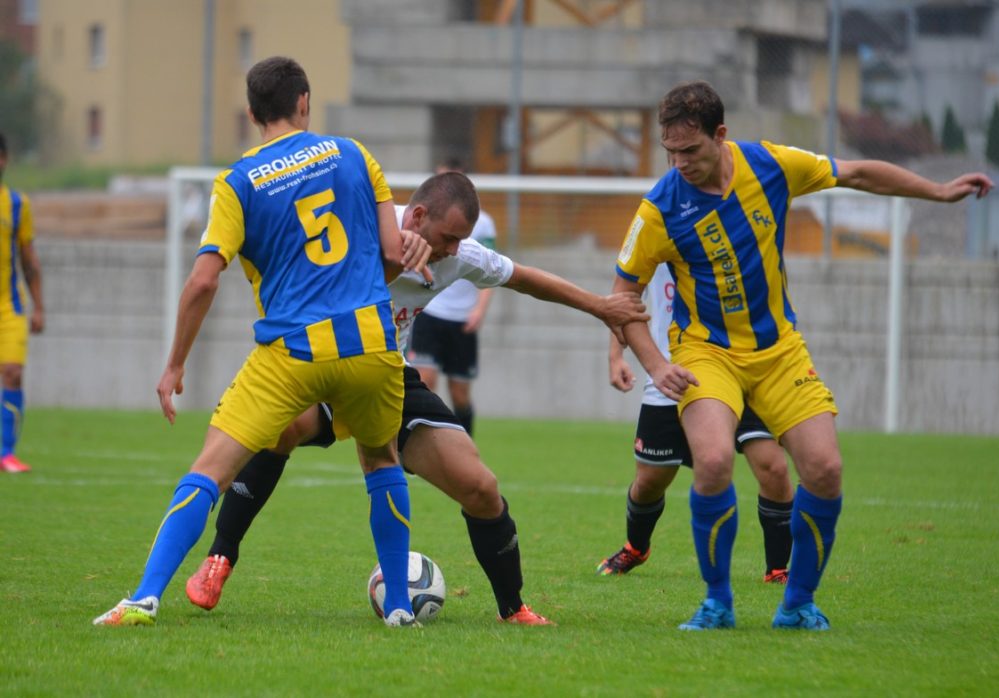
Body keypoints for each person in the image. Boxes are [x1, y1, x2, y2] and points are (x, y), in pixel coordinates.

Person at [183, 170, 647, 625]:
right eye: (447, 237)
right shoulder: (361, 224)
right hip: (325, 360)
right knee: (281, 430)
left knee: (481, 488)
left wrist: (600, 306)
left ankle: (514, 608)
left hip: (387, 376)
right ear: (418, 214)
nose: (452, 249)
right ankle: (220, 557)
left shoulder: (458, 255)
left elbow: (523, 278)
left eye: (459, 241)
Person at [612, 80, 993, 631]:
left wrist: (937, 192)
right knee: (715, 462)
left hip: (778, 350)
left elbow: (857, 173)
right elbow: (622, 297)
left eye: (690, 151)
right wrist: (654, 363)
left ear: (721, 136)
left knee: (825, 469)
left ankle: (797, 604)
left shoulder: (770, 164)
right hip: (706, 353)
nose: (679, 163)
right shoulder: (660, 209)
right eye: (669, 152)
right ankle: (717, 602)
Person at [93, 56, 432, 628]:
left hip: (292, 354)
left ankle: (145, 597)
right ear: (304, 102)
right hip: (373, 344)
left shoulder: (237, 182)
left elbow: (204, 278)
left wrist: (175, 363)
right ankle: (399, 606)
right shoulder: (354, 154)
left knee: (212, 467)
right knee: (381, 461)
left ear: (252, 113)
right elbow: (396, 253)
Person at [598, 263, 793, 582]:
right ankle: (636, 546)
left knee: (773, 466)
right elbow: (625, 296)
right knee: (650, 480)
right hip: (672, 373)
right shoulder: (656, 222)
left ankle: (777, 570)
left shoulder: (736, 227)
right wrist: (615, 355)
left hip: (741, 368)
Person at [408, 157, 497, 436]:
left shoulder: (482, 224)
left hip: (462, 318)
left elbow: (494, 270)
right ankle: (422, 443)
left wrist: (479, 311)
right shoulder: (416, 224)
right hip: (429, 312)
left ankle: (464, 442)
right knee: (425, 381)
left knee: (460, 394)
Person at [0, 133, 44, 474]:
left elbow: (29, 260)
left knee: (12, 373)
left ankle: (6, 453)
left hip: (9, 306)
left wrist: (39, 307)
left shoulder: (17, 204)